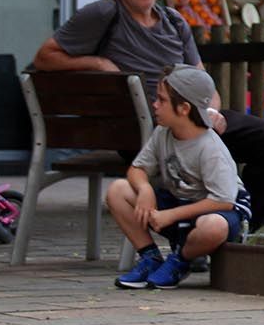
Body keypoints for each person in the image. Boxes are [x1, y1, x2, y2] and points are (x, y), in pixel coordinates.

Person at [32, 0, 264, 232]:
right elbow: (44, 57)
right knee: (203, 157)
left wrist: (210, 111)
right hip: (146, 132)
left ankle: (239, 232)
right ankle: (207, 237)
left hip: (191, 121)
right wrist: (98, 62)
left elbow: (202, 80)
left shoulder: (173, 20)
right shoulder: (103, 14)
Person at [107, 66, 252, 289]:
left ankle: (180, 262)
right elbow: (137, 169)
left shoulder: (210, 148)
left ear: (184, 108)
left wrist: (170, 216)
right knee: (118, 191)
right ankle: (150, 258)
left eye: (162, 100)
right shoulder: (163, 132)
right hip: (178, 204)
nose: (155, 105)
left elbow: (222, 200)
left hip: (217, 211)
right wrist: (145, 190)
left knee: (213, 225)